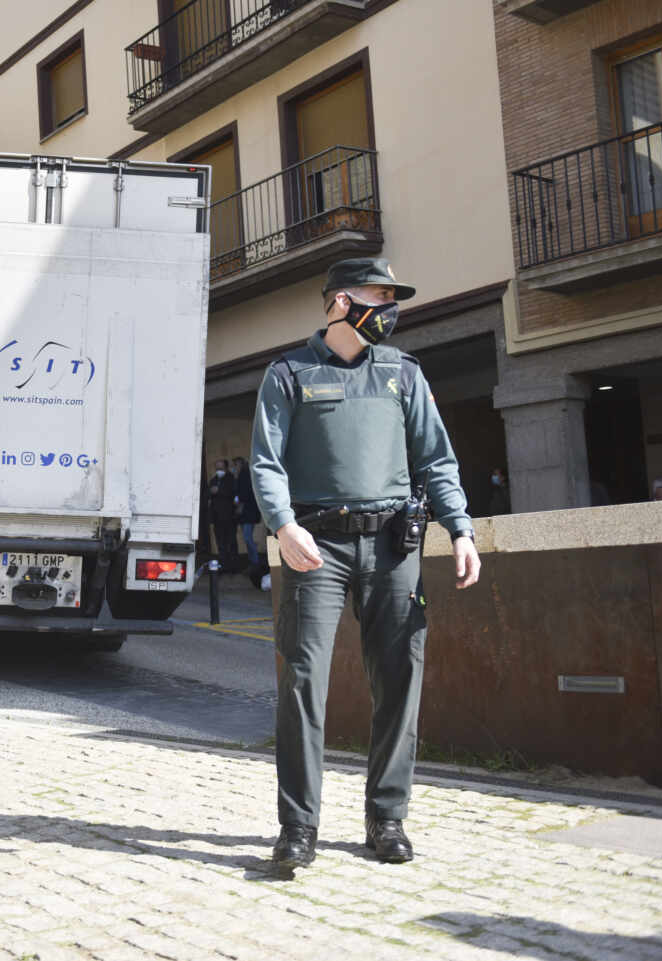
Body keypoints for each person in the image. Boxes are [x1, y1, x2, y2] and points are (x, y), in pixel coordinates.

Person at [250, 257, 481, 871]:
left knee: (400, 679)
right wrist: (284, 524)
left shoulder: (404, 374)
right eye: (377, 296)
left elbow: (436, 458)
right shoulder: (288, 373)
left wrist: (460, 528)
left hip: (393, 547)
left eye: (391, 298)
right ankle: (298, 827)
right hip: (315, 547)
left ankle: (387, 819)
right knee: (303, 684)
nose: (389, 309)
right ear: (338, 303)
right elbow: (266, 463)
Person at [233, 455, 261, 568]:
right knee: (247, 537)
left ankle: (255, 562)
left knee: (247, 537)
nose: (234, 467)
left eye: (235, 464)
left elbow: (244, 493)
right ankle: (254, 561)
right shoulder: (245, 475)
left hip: (248, 513)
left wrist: (238, 500)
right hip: (249, 513)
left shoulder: (244, 475)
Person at [208, 458, 238, 563]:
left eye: (221, 468)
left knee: (231, 541)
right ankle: (223, 563)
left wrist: (219, 491)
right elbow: (208, 495)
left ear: (226, 468)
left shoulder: (232, 479)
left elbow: (234, 494)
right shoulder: (213, 480)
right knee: (220, 541)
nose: (218, 470)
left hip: (229, 516)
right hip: (217, 517)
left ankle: (233, 563)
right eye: (217, 468)